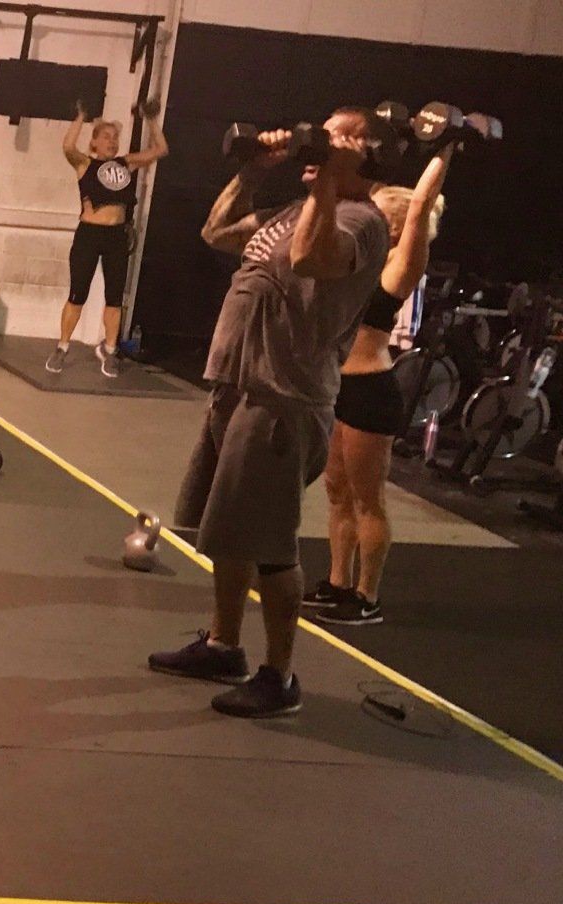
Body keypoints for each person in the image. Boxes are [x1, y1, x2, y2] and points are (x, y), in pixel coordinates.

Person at [149, 109, 393, 718]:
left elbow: (312, 261)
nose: (320, 139)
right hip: (237, 389)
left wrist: (331, 182)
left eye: (339, 135)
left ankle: (279, 677)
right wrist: (256, 172)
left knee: (269, 546)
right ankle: (223, 644)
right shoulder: (292, 211)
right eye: (323, 130)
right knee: (226, 532)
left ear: (367, 152)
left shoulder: (362, 222)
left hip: (284, 399)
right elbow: (217, 230)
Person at [309, 147, 452, 626]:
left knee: (368, 499)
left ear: (393, 226)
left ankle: (366, 596)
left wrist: (446, 143)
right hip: (337, 386)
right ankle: (336, 582)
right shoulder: (360, 262)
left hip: (371, 390)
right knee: (336, 490)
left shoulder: (398, 268)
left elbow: (420, 205)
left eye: (377, 214)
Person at [47, 100, 169, 377]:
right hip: (89, 234)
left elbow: (161, 150)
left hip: (116, 236)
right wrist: (81, 116)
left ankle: (110, 350)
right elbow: (67, 147)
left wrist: (150, 119)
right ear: (95, 143)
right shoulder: (85, 164)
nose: (112, 142)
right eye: (106, 137)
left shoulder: (126, 164)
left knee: (114, 298)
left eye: (115, 138)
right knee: (77, 295)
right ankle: (62, 347)